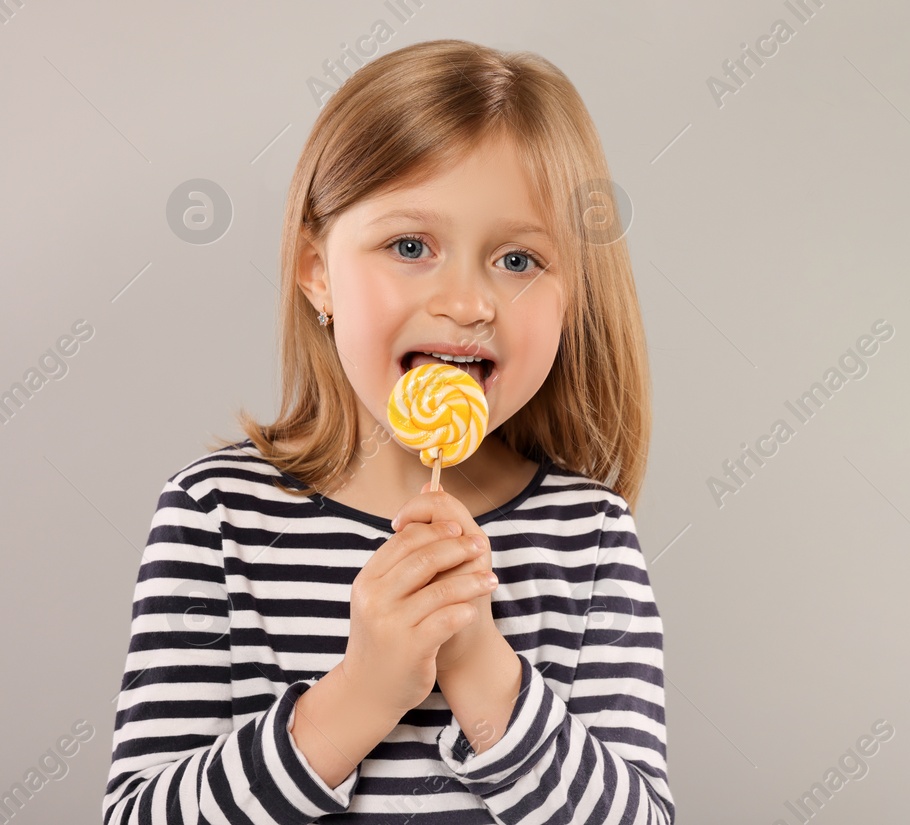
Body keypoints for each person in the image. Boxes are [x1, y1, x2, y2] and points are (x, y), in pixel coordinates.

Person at [102, 39, 671, 824]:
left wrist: (482, 668)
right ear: (318, 272)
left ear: (574, 293)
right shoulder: (217, 516)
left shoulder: (589, 537)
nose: (469, 301)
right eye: (411, 246)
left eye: (517, 258)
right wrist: (360, 695)